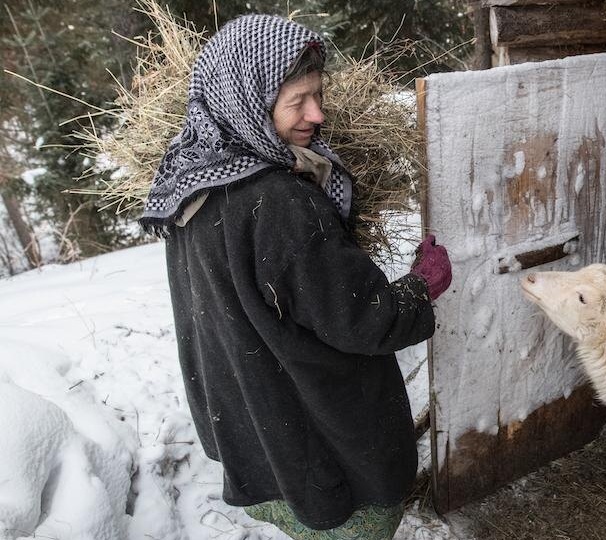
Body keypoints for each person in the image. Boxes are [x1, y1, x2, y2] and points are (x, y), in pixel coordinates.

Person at [138, 14, 452, 540]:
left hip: (256, 436)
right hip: (322, 449)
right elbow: (367, 321)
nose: (318, 114)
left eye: (318, 94)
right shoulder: (278, 203)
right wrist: (422, 283)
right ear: (247, 100)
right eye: (297, 101)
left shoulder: (186, 178)